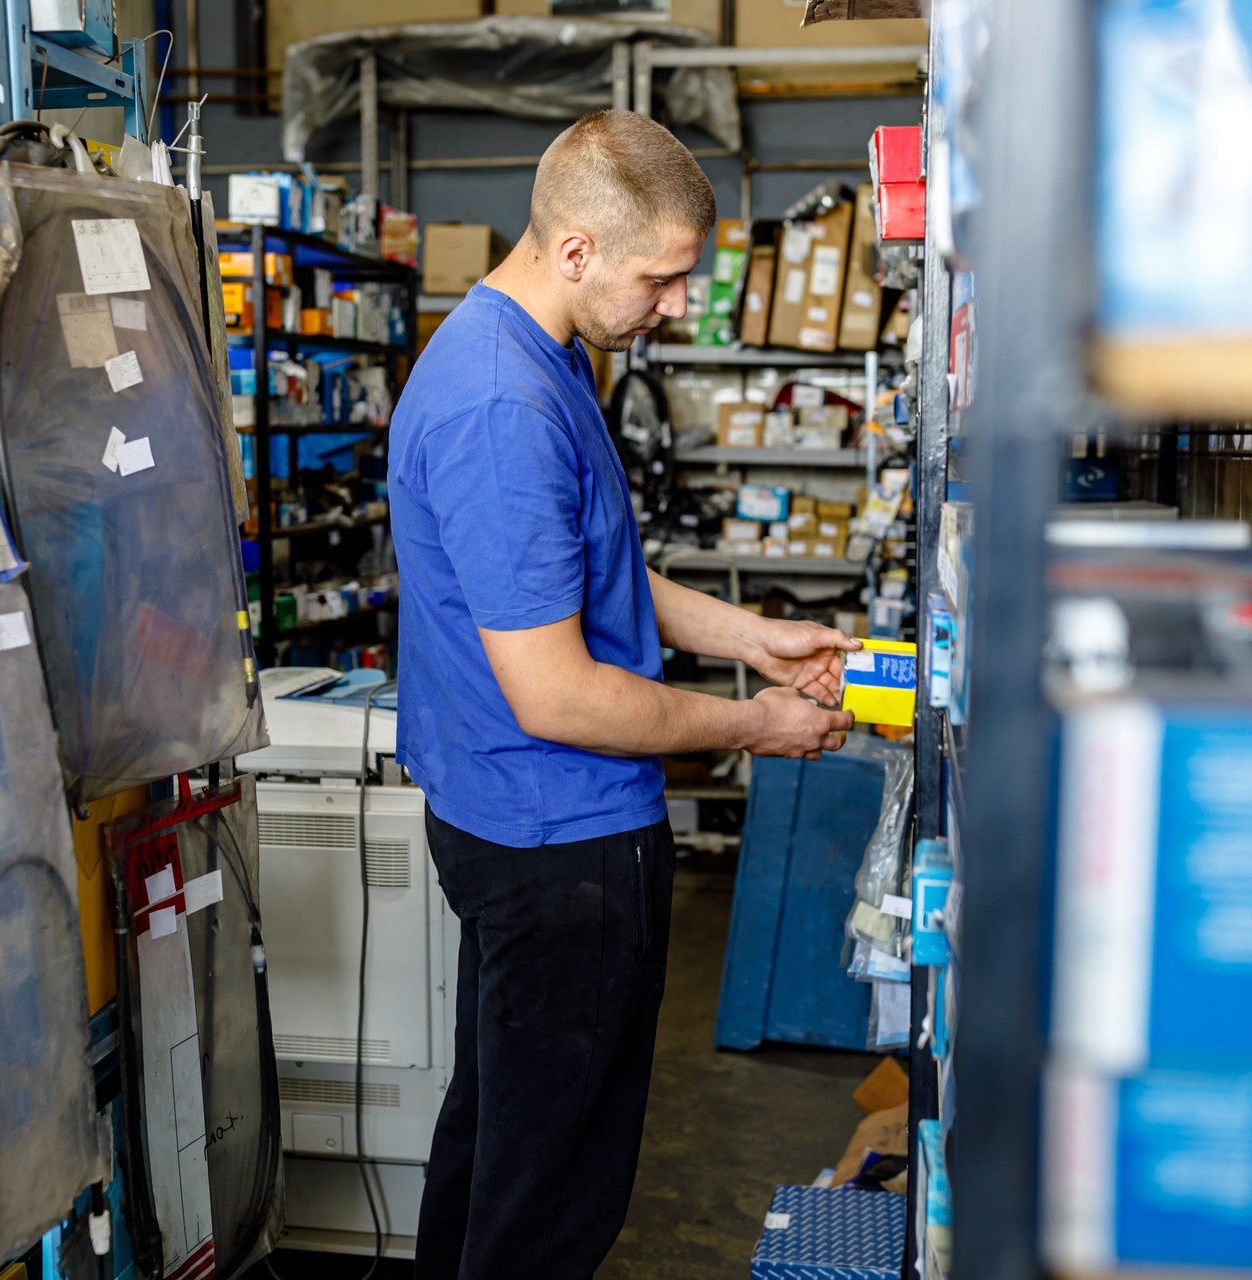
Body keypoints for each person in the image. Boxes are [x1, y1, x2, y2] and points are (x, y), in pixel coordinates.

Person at [389, 109, 859, 1279]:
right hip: (560, 836)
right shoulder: (503, 404)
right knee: (551, 1195)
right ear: (579, 251)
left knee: (499, 1138)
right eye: (662, 281)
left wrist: (751, 636)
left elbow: (590, 568)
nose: (673, 308)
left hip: (515, 815)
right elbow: (559, 694)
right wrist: (758, 726)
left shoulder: (533, 350)